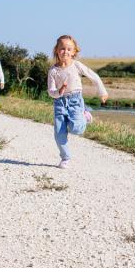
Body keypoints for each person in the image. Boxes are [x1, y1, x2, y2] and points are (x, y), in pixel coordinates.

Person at [47, 34, 108, 169]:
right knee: (58, 133)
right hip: (59, 103)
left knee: (76, 129)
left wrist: (102, 92)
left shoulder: (77, 65)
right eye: (62, 48)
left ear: (74, 52)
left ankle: (85, 117)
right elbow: (50, 91)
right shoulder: (53, 71)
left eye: (69, 49)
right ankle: (65, 158)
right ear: (57, 50)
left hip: (75, 101)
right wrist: (59, 92)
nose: (66, 51)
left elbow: (94, 77)